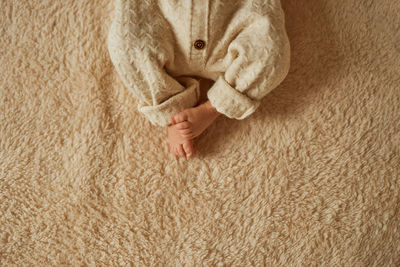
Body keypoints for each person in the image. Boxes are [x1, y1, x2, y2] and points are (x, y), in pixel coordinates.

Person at [107, 0, 291, 159]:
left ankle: (211, 108)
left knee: (272, 52)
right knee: (126, 47)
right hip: (164, 27)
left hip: (231, 27)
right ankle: (173, 111)